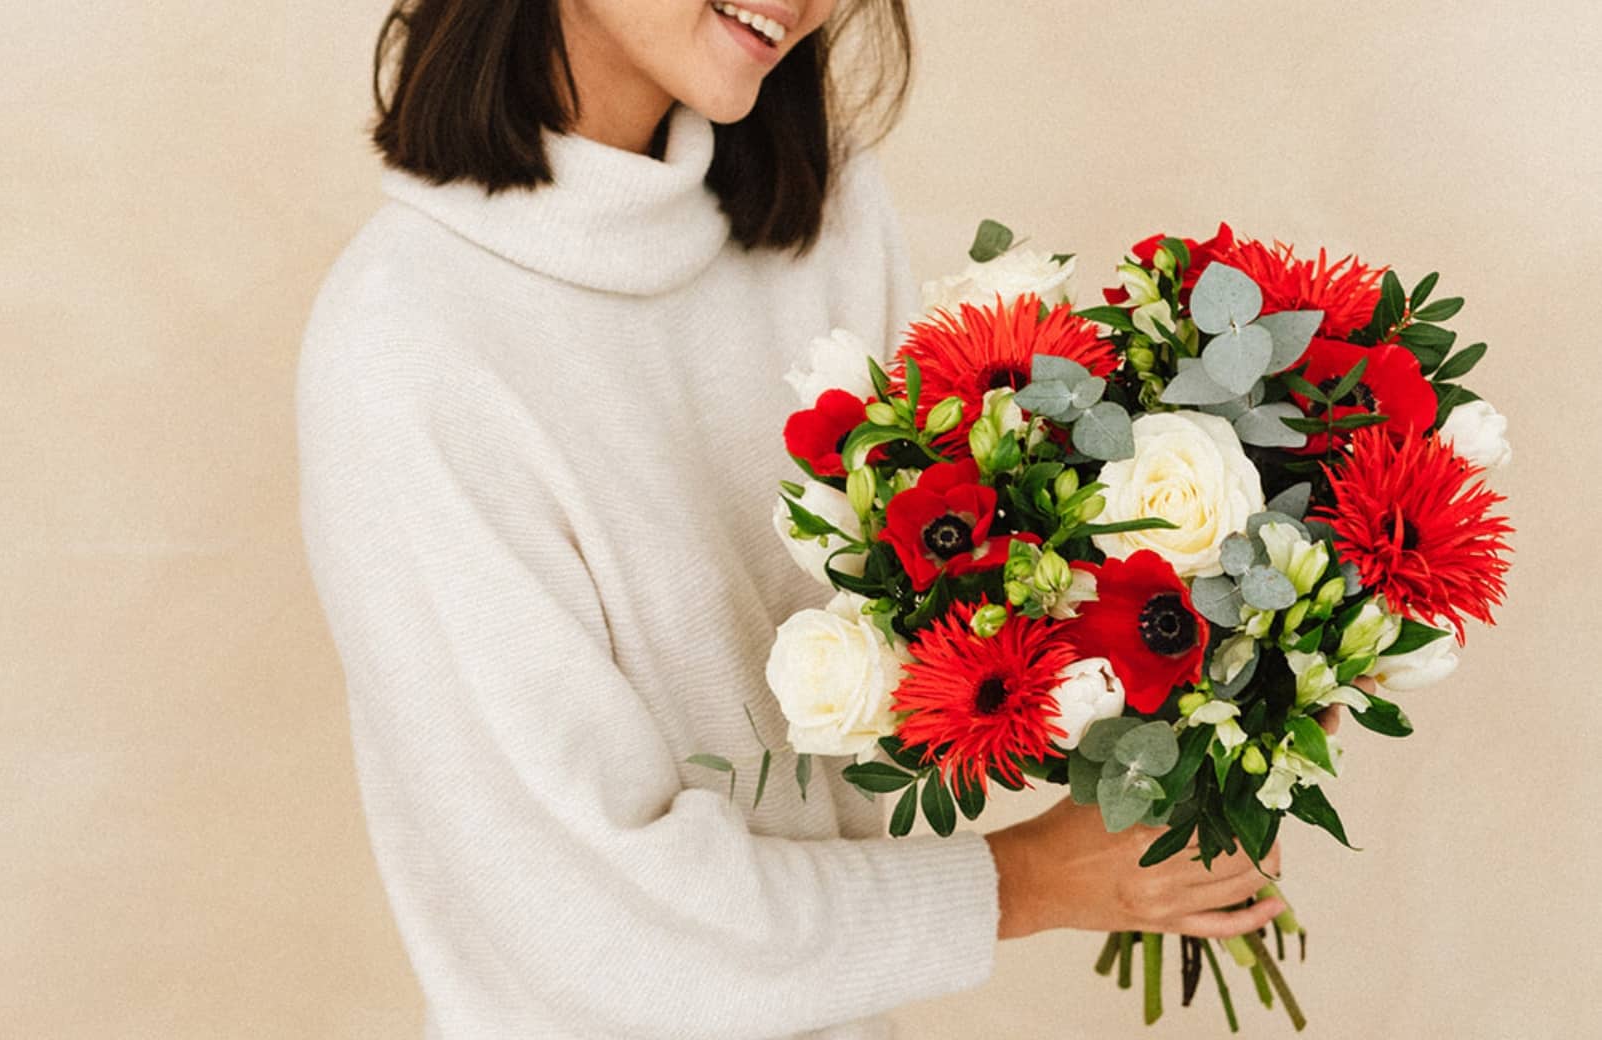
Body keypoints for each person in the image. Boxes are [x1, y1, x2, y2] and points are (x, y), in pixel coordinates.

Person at [296, 2, 1292, 1036]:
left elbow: (942, 617)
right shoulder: (406, 342)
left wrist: (1216, 679)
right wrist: (1030, 878)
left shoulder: (821, 216)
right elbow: (587, 922)